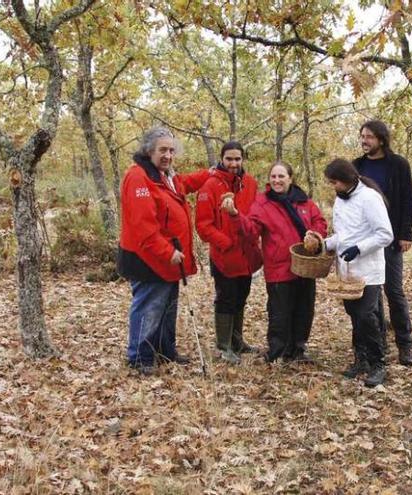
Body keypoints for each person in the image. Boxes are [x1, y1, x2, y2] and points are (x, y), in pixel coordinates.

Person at [117, 127, 212, 375]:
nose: (168, 155)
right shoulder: (139, 177)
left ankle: (164, 351)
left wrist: (211, 173)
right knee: (149, 306)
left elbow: (186, 183)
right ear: (149, 150)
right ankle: (140, 357)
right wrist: (167, 251)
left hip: (169, 259)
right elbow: (143, 226)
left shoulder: (165, 176)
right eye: (163, 150)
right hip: (149, 259)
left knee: (167, 308)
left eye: (171, 150)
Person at [225, 162, 328, 363]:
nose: (277, 180)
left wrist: (316, 236)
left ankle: (297, 350)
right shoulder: (262, 203)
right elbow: (251, 230)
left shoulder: (304, 201)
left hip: (306, 265)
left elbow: (320, 222)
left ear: (290, 178)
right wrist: (236, 216)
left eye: (281, 176)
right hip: (279, 267)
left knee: (304, 311)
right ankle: (277, 352)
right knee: (280, 313)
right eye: (273, 177)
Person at [323, 158, 394, 387]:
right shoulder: (341, 200)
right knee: (355, 315)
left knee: (366, 316)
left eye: (335, 182)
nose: (333, 187)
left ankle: (378, 364)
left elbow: (385, 234)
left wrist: (360, 248)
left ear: (348, 179)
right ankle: (360, 359)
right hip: (347, 270)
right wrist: (325, 244)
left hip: (368, 270)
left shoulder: (369, 198)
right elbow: (343, 235)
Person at [353, 120, 412, 366]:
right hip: (364, 240)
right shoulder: (356, 166)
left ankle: (405, 343)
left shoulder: (398, 165)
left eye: (369, 136)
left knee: (393, 290)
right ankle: (377, 342)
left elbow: (408, 200)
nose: (364, 141)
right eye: (362, 136)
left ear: (381, 139)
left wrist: (406, 233)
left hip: (389, 238)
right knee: (370, 292)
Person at [195, 141, 263, 364]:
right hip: (224, 256)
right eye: (229, 159)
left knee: (241, 297)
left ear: (243, 159)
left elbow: (256, 215)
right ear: (222, 160)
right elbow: (203, 225)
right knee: (226, 298)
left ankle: (237, 341)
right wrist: (224, 242)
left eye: (237, 159)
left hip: (247, 254)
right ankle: (224, 346)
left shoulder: (250, 183)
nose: (233, 163)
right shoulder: (211, 185)